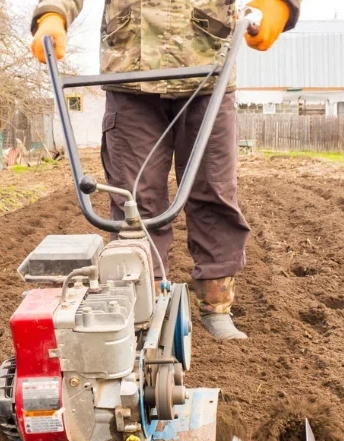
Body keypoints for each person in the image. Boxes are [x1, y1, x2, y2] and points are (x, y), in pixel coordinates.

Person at [30, 0, 302, 340]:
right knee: (134, 200)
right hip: (130, 74)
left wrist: (277, 5)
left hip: (209, 68)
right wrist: (53, 13)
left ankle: (217, 306)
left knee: (213, 192)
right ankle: (146, 304)